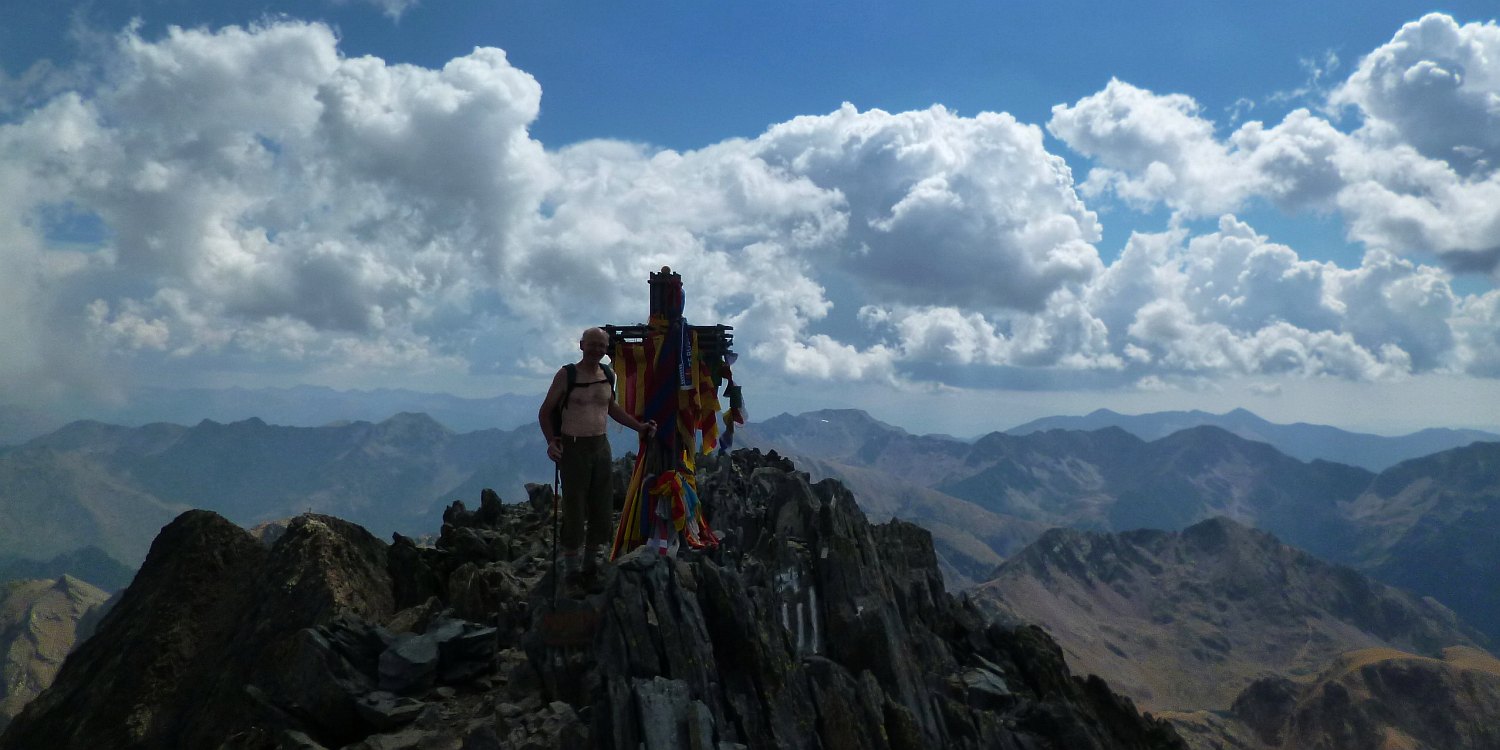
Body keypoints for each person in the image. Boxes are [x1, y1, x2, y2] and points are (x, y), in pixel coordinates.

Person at [538, 327, 656, 581]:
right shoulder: (567, 375)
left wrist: (639, 427)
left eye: (601, 346)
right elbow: (545, 412)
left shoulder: (607, 374)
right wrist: (551, 442)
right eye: (592, 344)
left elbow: (611, 407)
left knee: (602, 508)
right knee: (575, 509)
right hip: (573, 447)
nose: (597, 350)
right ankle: (572, 571)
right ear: (581, 345)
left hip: (601, 446)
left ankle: (590, 566)